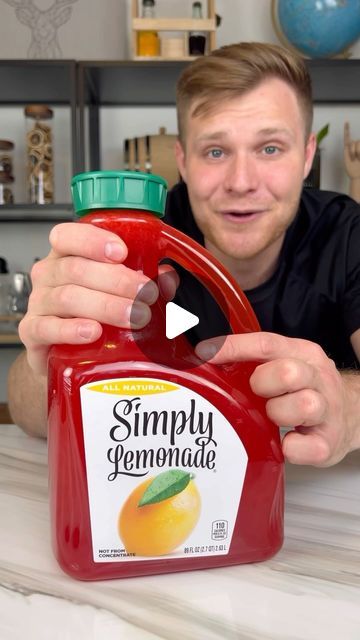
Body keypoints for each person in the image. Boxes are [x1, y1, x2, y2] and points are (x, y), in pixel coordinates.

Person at [7, 42, 360, 466]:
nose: (242, 181)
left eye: (269, 148)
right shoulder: (131, 240)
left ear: (306, 157)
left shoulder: (346, 233)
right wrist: (48, 361)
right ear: (183, 162)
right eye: (215, 151)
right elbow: (28, 414)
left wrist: (350, 407)